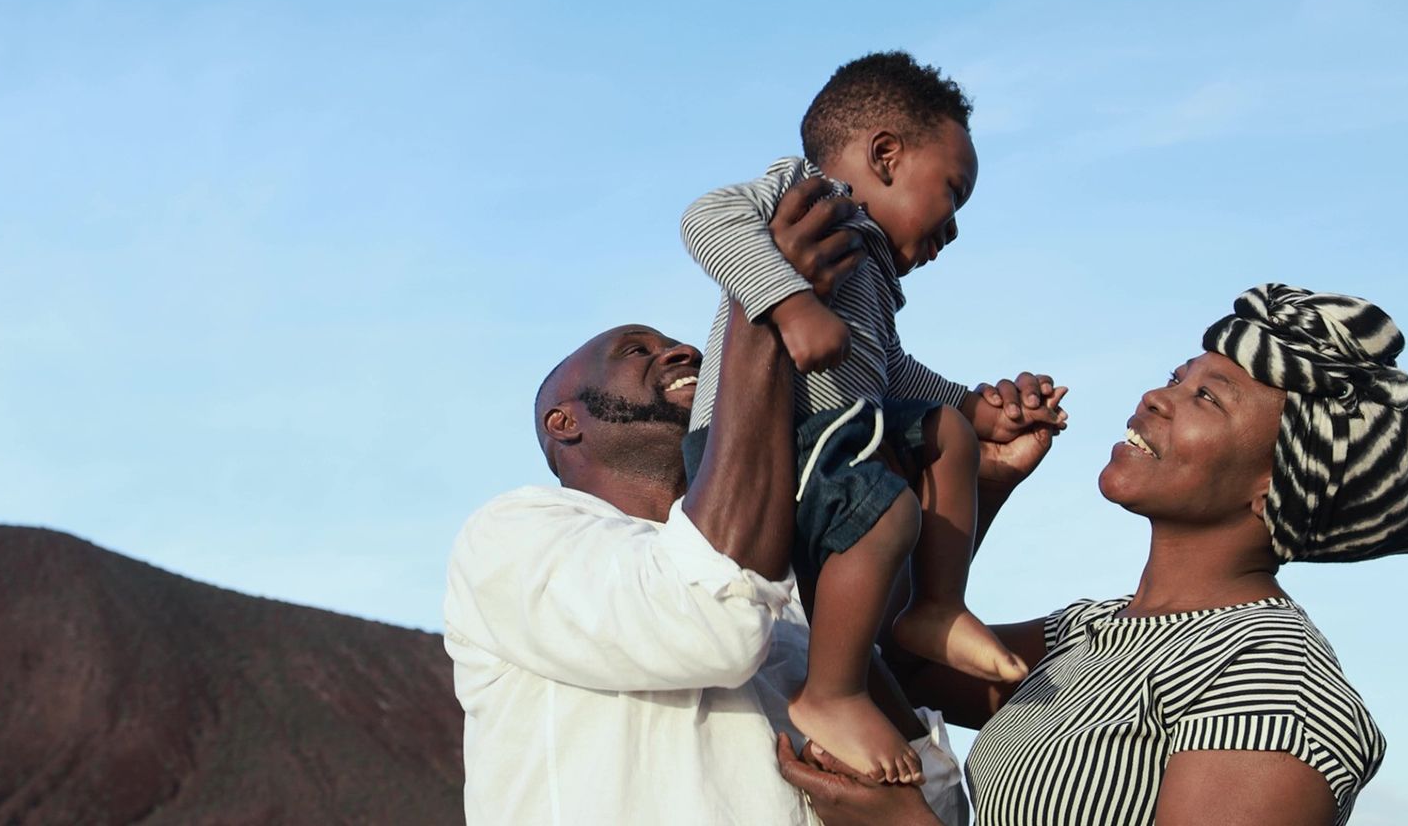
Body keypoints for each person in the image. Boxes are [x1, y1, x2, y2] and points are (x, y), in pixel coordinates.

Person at [443, 178, 1064, 826]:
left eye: (678, 343)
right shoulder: (514, 535)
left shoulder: (787, 576)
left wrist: (979, 478)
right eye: (635, 350)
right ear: (563, 422)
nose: (681, 349)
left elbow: (928, 771)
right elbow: (706, 622)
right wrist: (766, 300)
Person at [783, 284, 1408, 826]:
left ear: (1277, 489)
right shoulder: (1093, 633)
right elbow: (901, 662)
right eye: (1176, 376)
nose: (1154, 398)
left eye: (1206, 399)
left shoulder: (1276, 685)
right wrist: (986, 485)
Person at [680, 51, 1036, 782]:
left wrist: (971, 405)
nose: (954, 229)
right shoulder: (809, 192)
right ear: (883, 155)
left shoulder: (869, 272)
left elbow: (892, 370)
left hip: (840, 436)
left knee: (949, 438)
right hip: (769, 439)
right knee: (887, 514)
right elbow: (706, 218)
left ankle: (936, 606)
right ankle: (832, 693)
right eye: (952, 192)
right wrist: (789, 302)